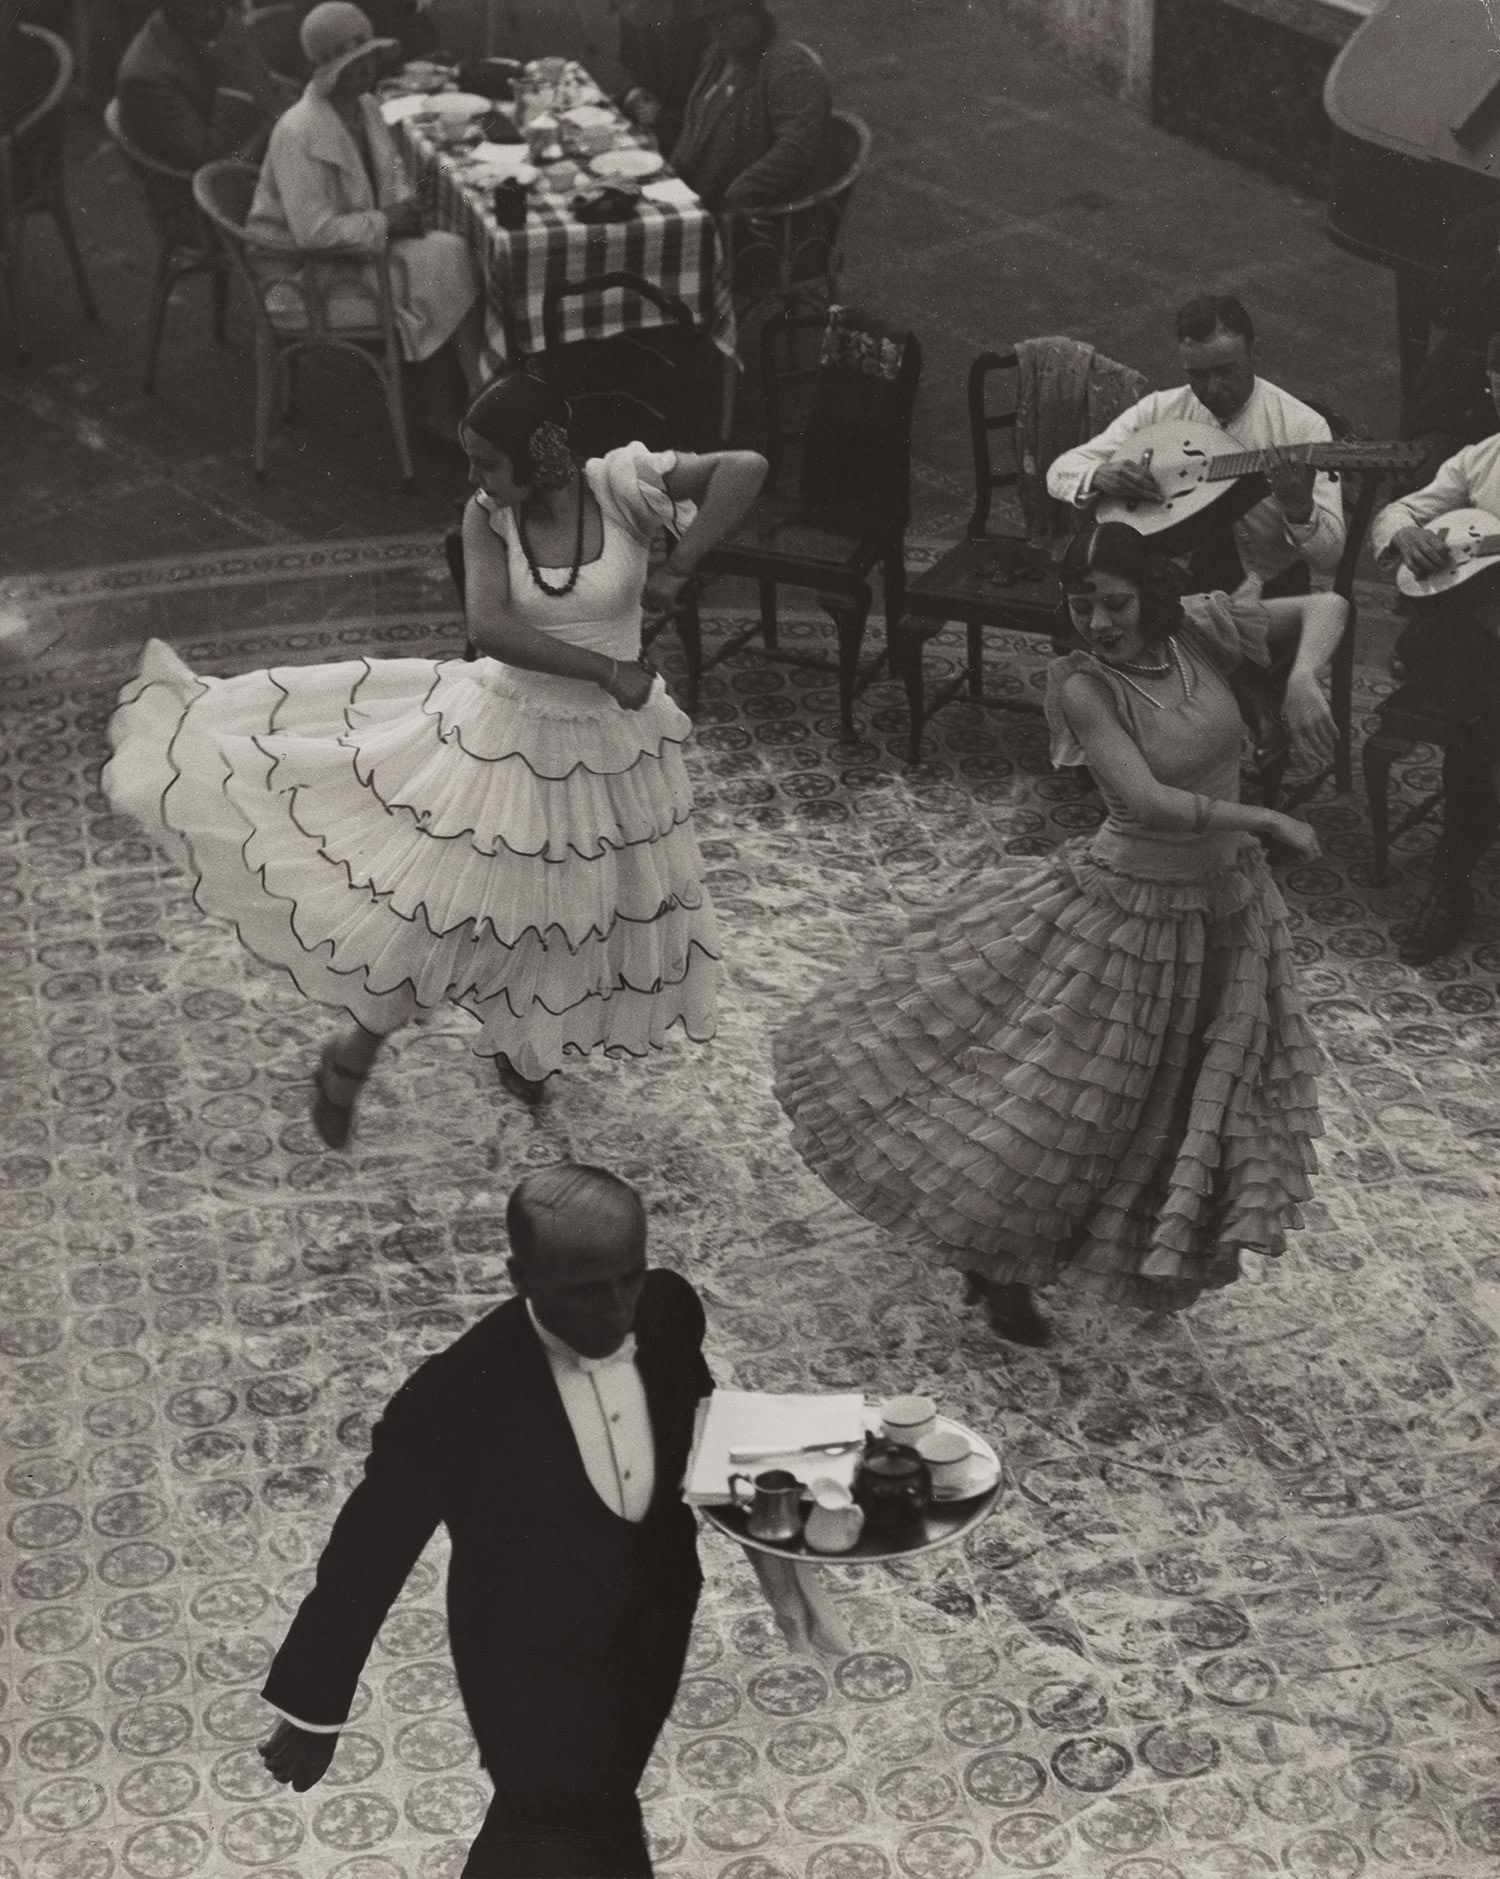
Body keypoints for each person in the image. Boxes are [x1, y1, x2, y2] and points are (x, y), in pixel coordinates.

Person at [102, 372, 766, 1141]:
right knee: (443, 913)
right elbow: (489, 628)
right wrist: (608, 671)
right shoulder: (490, 519)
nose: (475, 479)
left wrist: (681, 566)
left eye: (487, 462)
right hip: (506, 739)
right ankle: (353, 1054)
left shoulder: (622, 486)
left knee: (580, 906)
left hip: (610, 750)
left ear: (542, 455)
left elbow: (745, 468)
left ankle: (529, 1045)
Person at [774, 523, 1339, 1347]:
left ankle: (1059, 1244)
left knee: (1173, 1099)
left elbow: (1328, 601)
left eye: (1116, 601)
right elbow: (1145, 801)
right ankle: (999, 1264)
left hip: (1222, 907)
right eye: (1084, 605)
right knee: (1064, 1099)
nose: (1102, 621)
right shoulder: (1082, 685)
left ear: (1149, 590)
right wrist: (1267, 816)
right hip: (1128, 913)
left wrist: (1303, 679)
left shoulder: (1204, 630)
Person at [257, 1163, 713, 1878]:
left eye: (629, 1277)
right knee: (554, 1818)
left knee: (594, 1807)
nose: (618, 1309)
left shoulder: (670, 1309)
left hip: (652, 1629)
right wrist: (315, 1706)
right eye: (587, 1291)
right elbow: (370, 1548)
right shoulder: (453, 1397)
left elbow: (696, 1401)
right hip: (525, 1663)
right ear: (519, 1275)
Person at [247, 2, 486, 444]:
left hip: (357, 252)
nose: (368, 67)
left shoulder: (366, 107)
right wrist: (385, 220)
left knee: (456, 251)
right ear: (328, 71)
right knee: (446, 267)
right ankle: (465, 409)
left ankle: (471, 402)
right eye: (355, 61)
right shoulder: (298, 131)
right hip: (304, 281)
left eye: (370, 56)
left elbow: (391, 177)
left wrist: (405, 208)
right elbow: (313, 234)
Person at [1046, 295, 1345, 600]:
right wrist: (1100, 474)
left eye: (1226, 371)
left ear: (1255, 352)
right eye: (1198, 375)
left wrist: (1300, 509)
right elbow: (1060, 471)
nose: (1213, 388)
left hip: (1269, 589)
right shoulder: (1161, 410)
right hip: (1168, 580)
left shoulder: (1302, 426)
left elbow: (1328, 557)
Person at [1371, 331, 1500, 963]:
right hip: (1482, 645)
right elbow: (1395, 513)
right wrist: (1407, 537)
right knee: (1477, 716)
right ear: (1492, 384)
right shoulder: (1480, 459)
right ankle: (1451, 886)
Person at [116, 0, 297, 243]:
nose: (219, 12)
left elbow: (265, 93)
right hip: (203, 208)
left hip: (252, 167)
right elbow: (213, 165)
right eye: (203, 6)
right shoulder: (146, 79)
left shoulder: (213, 21)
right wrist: (236, 88)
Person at [669, 0, 830, 212]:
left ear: (755, 13)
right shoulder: (715, 57)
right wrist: (670, 176)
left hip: (754, 216)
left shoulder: (789, 67)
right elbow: (693, 129)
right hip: (699, 198)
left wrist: (739, 193)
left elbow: (796, 148)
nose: (719, 25)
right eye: (711, 18)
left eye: (728, 15)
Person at [617, 0, 711, 152]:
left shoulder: (698, 31)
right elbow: (627, 67)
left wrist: (661, 115)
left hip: (683, 139)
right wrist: (631, 90)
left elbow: (707, 113)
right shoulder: (634, 22)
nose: (628, 9)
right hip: (650, 125)